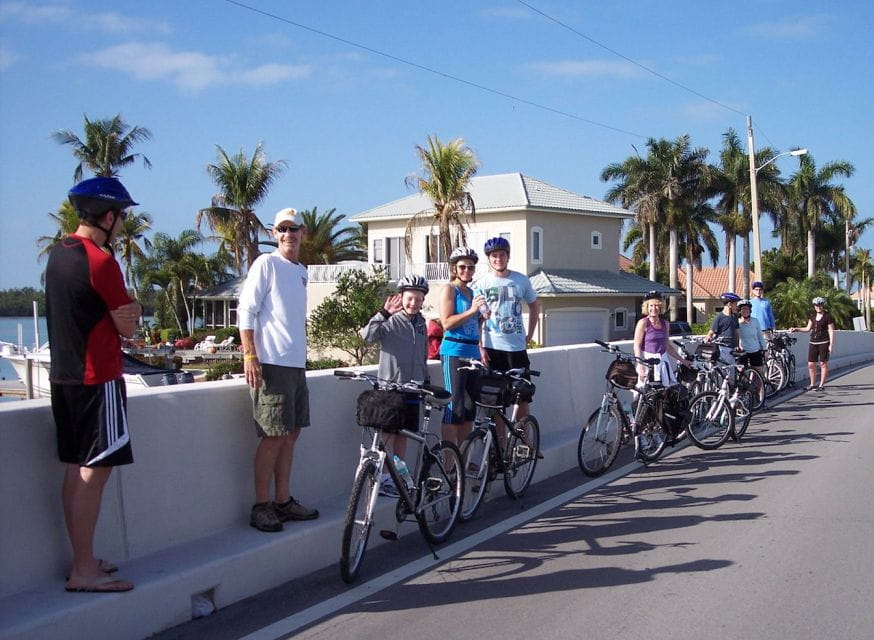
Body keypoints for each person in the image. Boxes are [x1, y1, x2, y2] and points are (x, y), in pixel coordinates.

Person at [46, 176, 142, 593]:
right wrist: (129, 313)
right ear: (107, 217)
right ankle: (82, 569)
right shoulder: (100, 261)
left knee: (76, 469)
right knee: (94, 473)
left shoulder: (58, 253)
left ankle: (81, 559)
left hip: (64, 378)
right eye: (121, 216)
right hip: (96, 379)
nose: (122, 223)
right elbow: (129, 324)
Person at [238, 208, 318, 533]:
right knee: (273, 436)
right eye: (282, 229)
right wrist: (249, 356)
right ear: (275, 233)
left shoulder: (301, 271)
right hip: (270, 365)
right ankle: (262, 505)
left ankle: (283, 501)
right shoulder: (266, 264)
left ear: (303, 232)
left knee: (291, 434)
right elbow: (246, 309)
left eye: (294, 229)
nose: (288, 235)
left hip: (295, 365)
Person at [359, 274, 430, 496]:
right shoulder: (390, 320)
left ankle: (399, 476)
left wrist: (425, 380)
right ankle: (385, 476)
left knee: (404, 434)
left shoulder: (421, 324)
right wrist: (384, 312)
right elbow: (366, 336)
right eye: (410, 298)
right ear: (401, 297)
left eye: (418, 299)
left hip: (413, 388)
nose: (414, 303)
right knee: (386, 435)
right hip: (390, 388)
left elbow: (423, 354)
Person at [439, 246, 486, 447]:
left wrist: (482, 315)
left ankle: (464, 458)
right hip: (455, 352)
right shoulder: (450, 289)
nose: (467, 271)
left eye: (471, 267)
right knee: (454, 407)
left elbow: (474, 325)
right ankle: (450, 463)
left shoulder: (472, 292)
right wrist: (472, 310)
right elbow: (447, 323)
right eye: (463, 267)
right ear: (454, 268)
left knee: (469, 409)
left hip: (473, 352)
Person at [633, 291, 690, 386]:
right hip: (648, 362)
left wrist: (683, 361)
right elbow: (637, 346)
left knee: (664, 394)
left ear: (661, 307)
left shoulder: (665, 324)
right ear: (647, 307)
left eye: (656, 305)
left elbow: (667, 346)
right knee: (644, 395)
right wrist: (640, 364)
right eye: (651, 305)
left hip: (663, 363)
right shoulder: (643, 323)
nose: (654, 308)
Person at [790, 296, 836, 391]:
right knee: (811, 364)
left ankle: (821, 385)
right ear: (814, 306)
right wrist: (796, 329)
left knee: (823, 363)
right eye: (816, 305)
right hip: (813, 342)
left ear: (823, 305)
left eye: (820, 305)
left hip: (824, 342)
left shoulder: (828, 316)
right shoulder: (812, 316)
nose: (818, 307)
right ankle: (812, 384)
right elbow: (807, 328)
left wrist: (831, 345)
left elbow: (831, 331)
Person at [736, 298, 768, 383]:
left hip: (755, 350)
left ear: (750, 310)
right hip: (743, 351)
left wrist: (765, 349)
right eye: (743, 309)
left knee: (758, 375)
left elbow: (760, 336)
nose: (745, 311)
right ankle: (744, 393)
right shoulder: (737, 323)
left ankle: (758, 394)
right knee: (743, 375)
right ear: (739, 311)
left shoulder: (755, 321)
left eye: (747, 309)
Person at [705, 292, 741, 367]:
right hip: (722, 348)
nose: (736, 306)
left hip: (732, 348)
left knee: (731, 372)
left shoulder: (735, 317)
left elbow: (737, 332)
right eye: (735, 304)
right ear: (729, 304)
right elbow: (711, 332)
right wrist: (707, 339)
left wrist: (738, 345)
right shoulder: (719, 318)